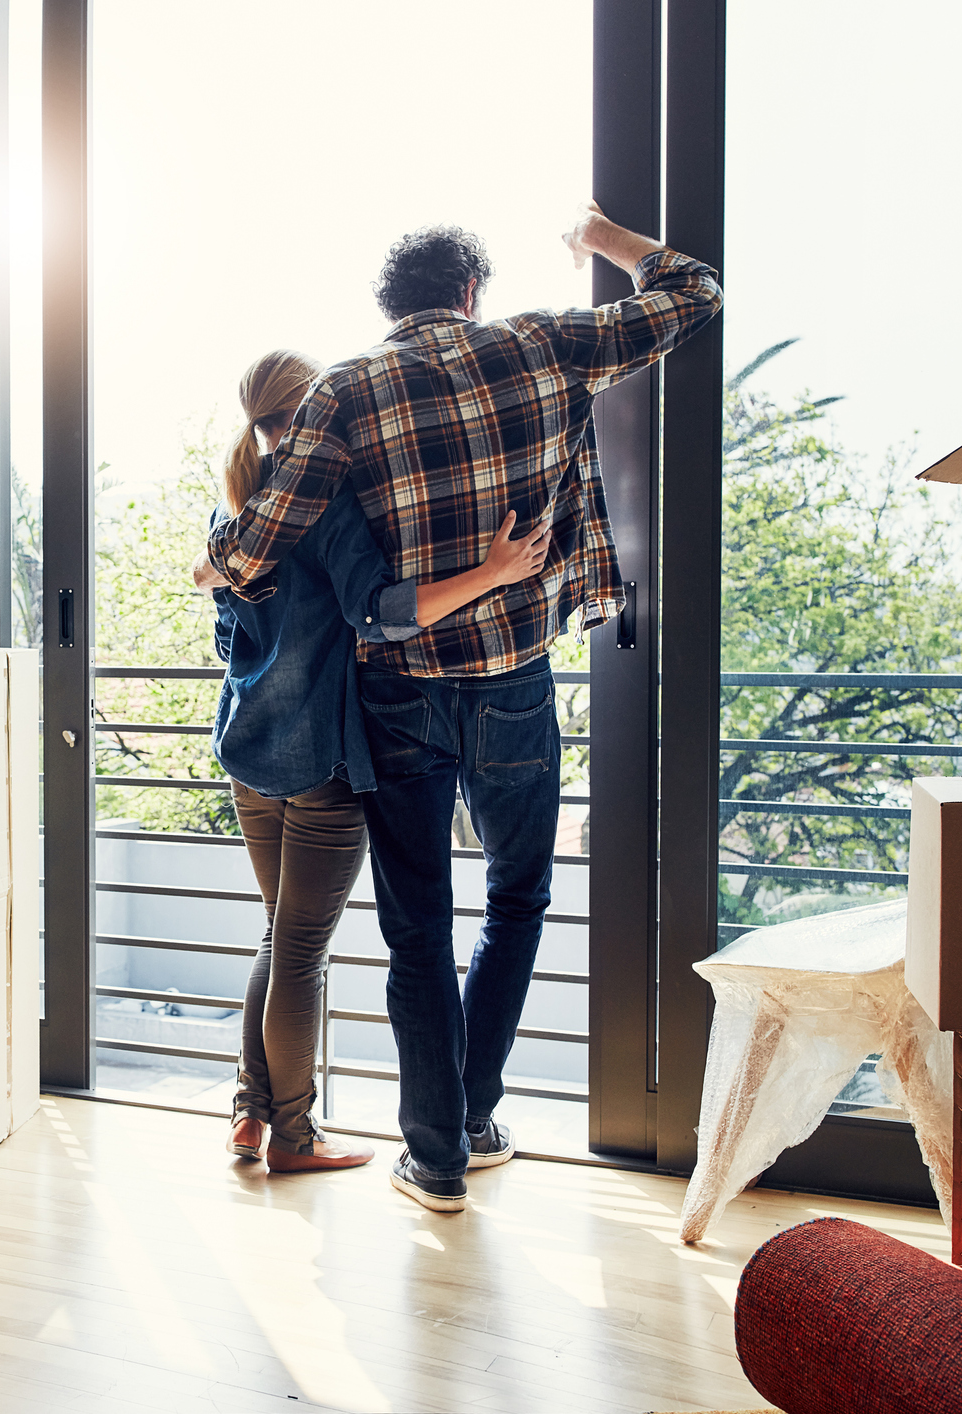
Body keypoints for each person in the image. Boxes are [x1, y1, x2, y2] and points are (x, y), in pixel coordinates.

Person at [204, 202, 722, 1213]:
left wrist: (213, 557)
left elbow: (251, 550)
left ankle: (434, 1158)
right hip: (514, 682)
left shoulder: (345, 393)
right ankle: (475, 1115)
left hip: (399, 695)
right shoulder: (543, 343)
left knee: (415, 930)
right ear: (470, 293)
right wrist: (607, 242)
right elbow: (695, 292)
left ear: (388, 305)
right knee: (517, 897)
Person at [207, 349, 552, 1174]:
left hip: (248, 753)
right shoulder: (325, 507)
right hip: (321, 763)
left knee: (279, 938)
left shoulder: (237, 514)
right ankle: (292, 1136)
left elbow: (229, 637)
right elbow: (380, 615)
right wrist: (493, 571)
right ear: (319, 412)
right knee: (299, 950)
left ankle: (250, 1114)